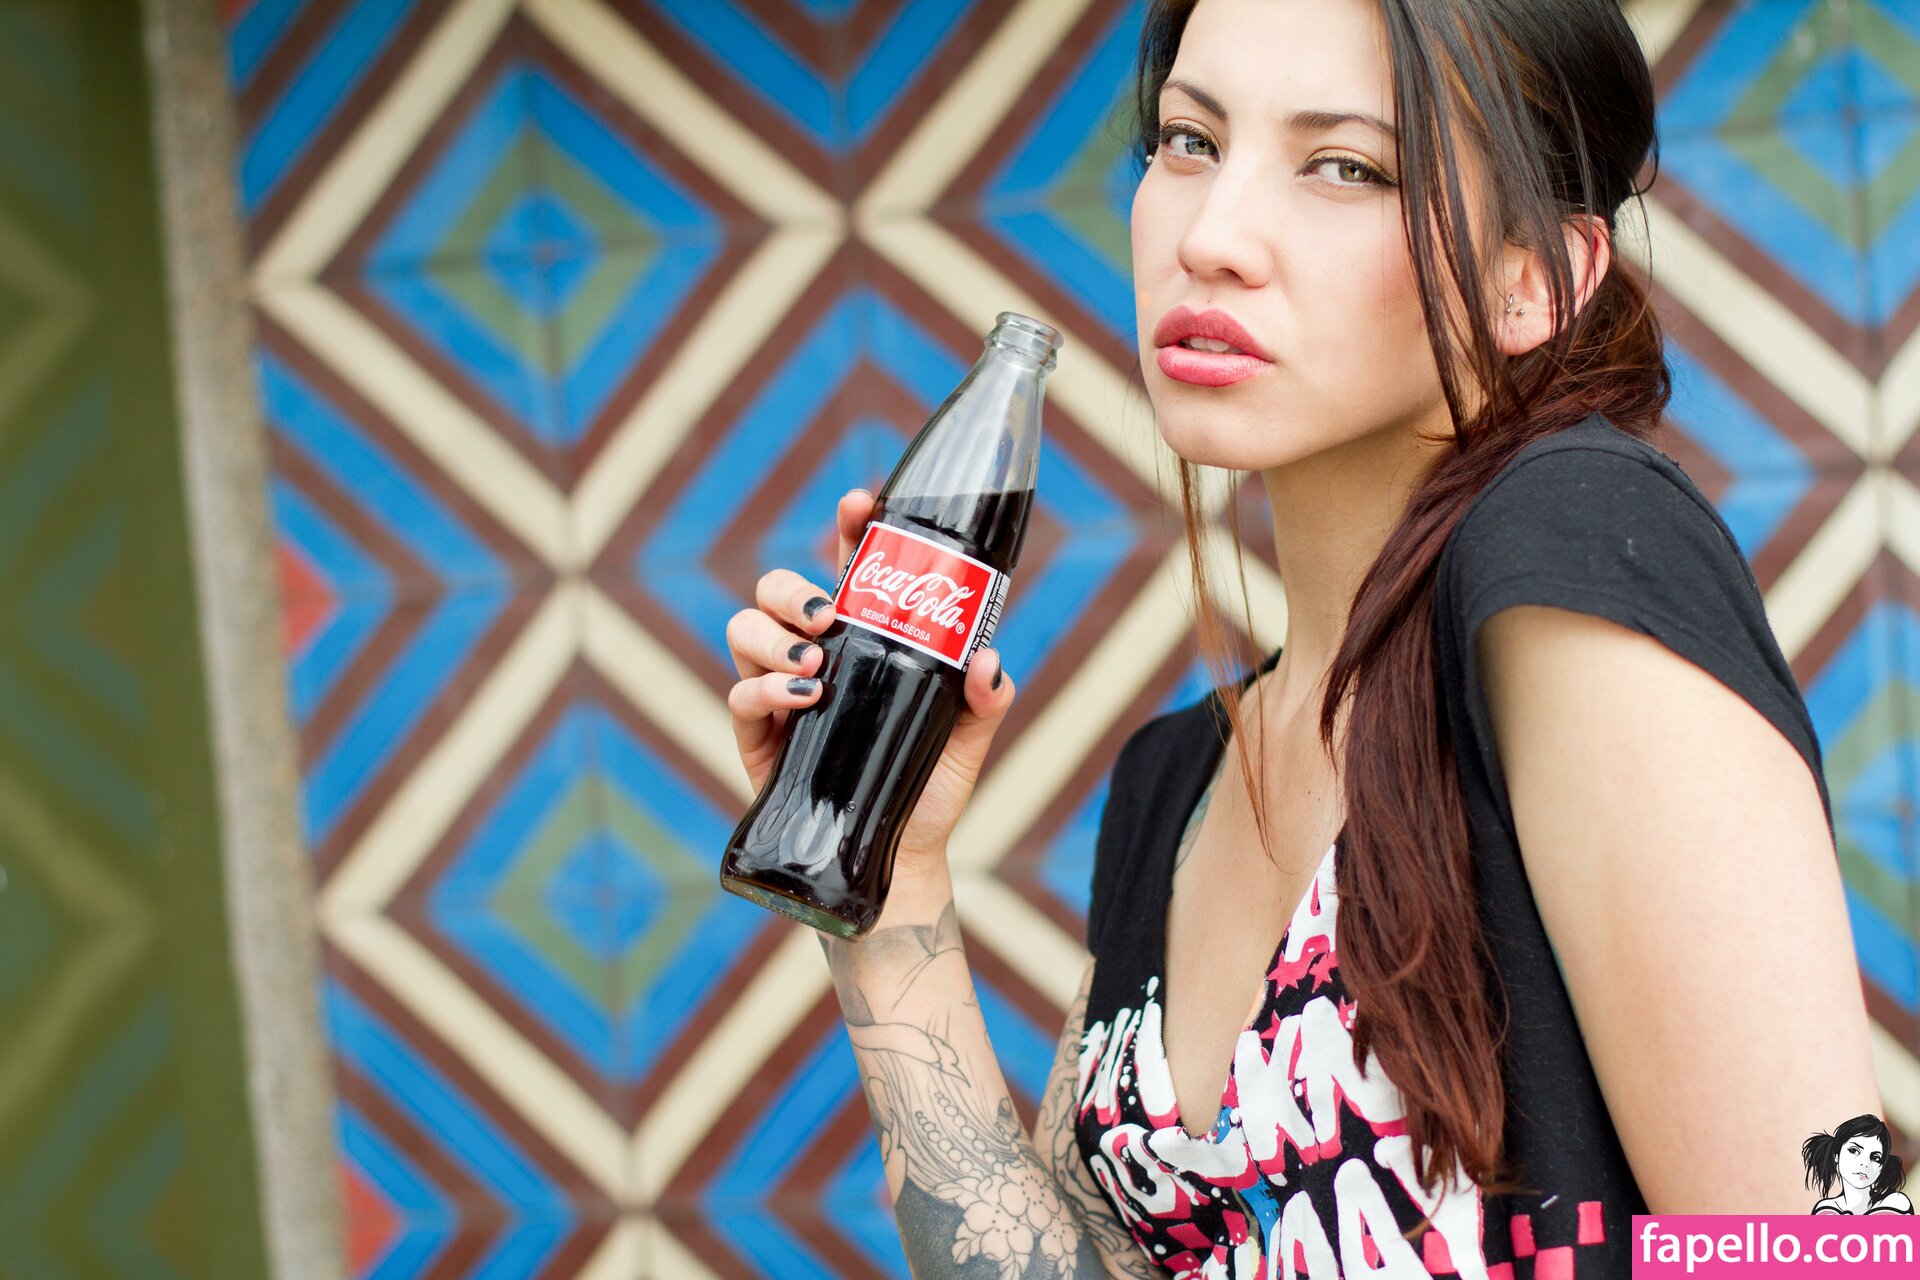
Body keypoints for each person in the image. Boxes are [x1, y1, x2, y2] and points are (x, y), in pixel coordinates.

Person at [724, 0, 1884, 1274]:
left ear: (1534, 280)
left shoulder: (1569, 554)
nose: (1211, 237)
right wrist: (887, 879)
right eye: (1188, 141)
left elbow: (1819, 1250)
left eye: (1346, 166)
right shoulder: (1173, 782)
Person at [1804, 1116, 1914, 1215]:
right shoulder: (1825, 1209)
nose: (1865, 1164)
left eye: (1875, 1158)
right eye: (1854, 1150)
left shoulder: (1896, 1202)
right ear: (1836, 1155)